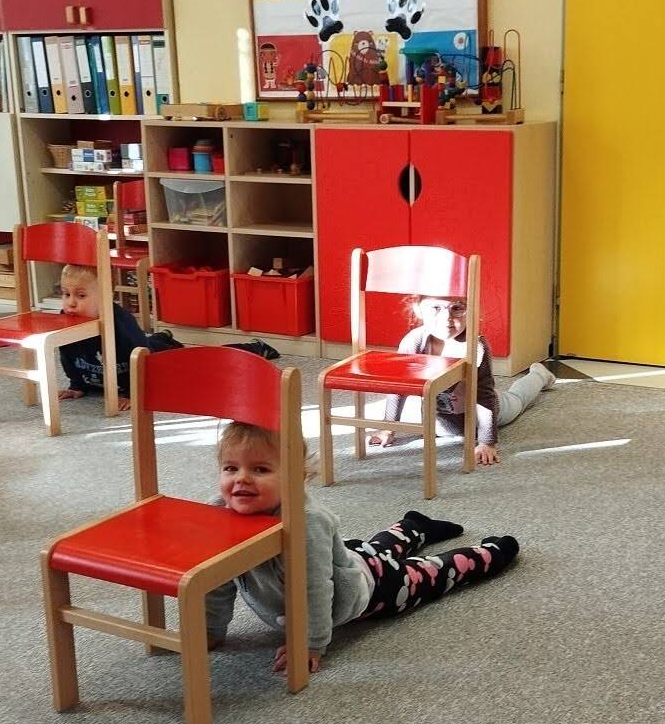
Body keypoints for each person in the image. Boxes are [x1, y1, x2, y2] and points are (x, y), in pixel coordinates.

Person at [206, 421, 518, 673]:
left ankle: (490, 553)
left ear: (296, 477)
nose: (241, 479)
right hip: (352, 557)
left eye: (260, 469)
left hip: (373, 588)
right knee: (377, 549)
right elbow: (215, 578)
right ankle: (414, 525)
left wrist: (310, 643)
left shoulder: (306, 523)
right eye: (230, 468)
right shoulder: (219, 514)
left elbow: (314, 588)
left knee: (433, 574)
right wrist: (211, 630)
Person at [51, 264, 277, 409]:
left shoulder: (121, 323)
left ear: (105, 297)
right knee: (153, 343)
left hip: (154, 364)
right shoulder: (67, 321)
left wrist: (134, 393)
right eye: (65, 294)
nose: (71, 303)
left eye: (81, 296)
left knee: (204, 363)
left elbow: (142, 357)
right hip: (140, 353)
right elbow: (66, 354)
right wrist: (76, 385)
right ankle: (163, 338)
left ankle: (254, 348)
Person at [369, 294, 554, 465]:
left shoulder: (476, 346)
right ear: (418, 309)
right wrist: (388, 428)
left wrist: (487, 442)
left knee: (518, 399)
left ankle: (539, 375)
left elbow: (484, 396)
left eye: (457, 308)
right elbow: (399, 387)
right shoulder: (414, 341)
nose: (446, 318)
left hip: (488, 410)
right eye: (436, 308)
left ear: (470, 310)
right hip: (440, 421)